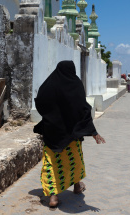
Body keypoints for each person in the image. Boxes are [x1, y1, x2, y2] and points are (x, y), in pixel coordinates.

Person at [33, 61, 106, 208]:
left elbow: (40, 101)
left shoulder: (49, 84)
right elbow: (83, 108)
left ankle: (53, 197)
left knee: (52, 163)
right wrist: (92, 131)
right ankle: (77, 186)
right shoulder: (75, 84)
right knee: (74, 161)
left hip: (53, 133)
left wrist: (50, 117)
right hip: (72, 134)